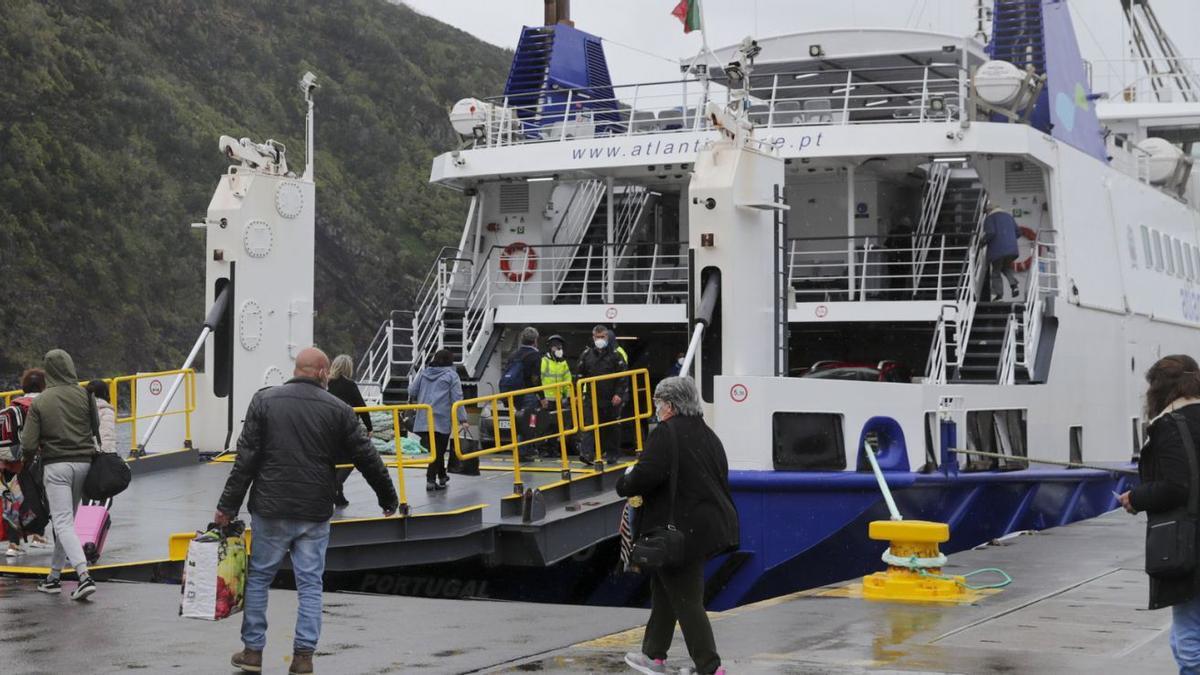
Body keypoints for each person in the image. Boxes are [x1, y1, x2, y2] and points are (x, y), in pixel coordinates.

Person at [216, 347, 399, 675]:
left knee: (259, 578)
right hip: (314, 511)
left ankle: (253, 652)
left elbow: (246, 459)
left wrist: (227, 507)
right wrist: (388, 497)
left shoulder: (264, 401)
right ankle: (303, 658)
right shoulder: (340, 409)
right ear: (323, 373)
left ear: (296, 369)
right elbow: (366, 455)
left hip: (270, 509)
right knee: (310, 583)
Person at [617, 377, 737, 675]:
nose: (656, 409)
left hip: (678, 533)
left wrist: (625, 482)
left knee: (686, 599)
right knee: (666, 589)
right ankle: (653, 655)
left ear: (670, 405)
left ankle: (710, 667)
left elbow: (648, 474)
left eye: (658, 403)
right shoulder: (709, 436)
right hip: (707, 528)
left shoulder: (666, 433)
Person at [1118, 355, 1200, 673]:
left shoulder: (1170, 425)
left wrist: (1136, 498)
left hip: (1190, 542)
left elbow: (1176, 486)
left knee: (1188, 643)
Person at [19, 350, 99, 601]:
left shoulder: (42, 401)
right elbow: (95, 429)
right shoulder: (86, 394)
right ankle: (53, 577)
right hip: (84, 464)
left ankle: (84, 576)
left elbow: (29, 444)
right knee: (67, 523)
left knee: (62, 522)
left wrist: (23, 462)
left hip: (56, 467)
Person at [409, 349, 469, 491]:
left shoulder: (424, 373)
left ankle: (442, 476)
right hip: (441, 420)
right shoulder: (451, 376)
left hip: (423, 419)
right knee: (439, 451)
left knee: (437, 450)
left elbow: (412, 391)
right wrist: (463, 419)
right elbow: (457, 399)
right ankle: (430, 480)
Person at [576, 324, 630, 465]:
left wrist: (619, 394)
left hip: (611, 397)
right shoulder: (586, 355)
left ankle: (612, 454)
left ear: (607, 337)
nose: (600, 339)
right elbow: (580, 375)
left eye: (602, 337)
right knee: (589, 426)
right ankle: (587, 453)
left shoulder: (615, 355)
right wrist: (579, 394)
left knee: (610, 427)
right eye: (597, 337)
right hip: (591, 397)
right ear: (593, 338)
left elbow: (623, 377)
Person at [326, 354, 373, 508]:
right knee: (351, 459)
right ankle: (334, 487)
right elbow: (361, 406)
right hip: (346, 428)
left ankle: (339, 496)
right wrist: (369, 427)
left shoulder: (326, 384)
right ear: (348, 368)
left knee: (334, 461)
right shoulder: (350, 385)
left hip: (327, 427)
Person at [503, 327, 543, 460]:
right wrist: (541, 397)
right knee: (529, 422)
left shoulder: (514, 354)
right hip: (528, 394)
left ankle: (523, 449)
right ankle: (524, 451)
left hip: (514, 394)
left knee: (521, 420)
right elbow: (536, 379)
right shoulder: (535, 355)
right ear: (535, 340)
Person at [539, 335, 574, 458]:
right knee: (545, 426)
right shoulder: (544, 361)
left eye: (560, 346)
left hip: (558, 400)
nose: (558, 348)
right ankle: (543, 449)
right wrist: (541, 397)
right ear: (550, 348)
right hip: (546, 399)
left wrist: (569, 396)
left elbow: (567, 380)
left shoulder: (563, 362)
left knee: (557, 427)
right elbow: (539, 379)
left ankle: (553, 449)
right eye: (556, 346)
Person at [981, 204, 1021, 302]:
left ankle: (999, 296)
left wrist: (981, 242)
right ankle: (1014, 285)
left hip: (998, 250)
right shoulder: (1009, 217)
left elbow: (991, 233)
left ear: (989, 210)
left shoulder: (990, 218)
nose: (986, 214)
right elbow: (1019, 233)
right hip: (1012, 250)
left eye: (986, 212)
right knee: (1005, 267)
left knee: (996, 272)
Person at [85, 381, 118, 456]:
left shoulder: (83, 408)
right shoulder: (107, 410)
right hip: (106, 453)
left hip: (87, 452)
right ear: (105, 393)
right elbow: (107, 435)